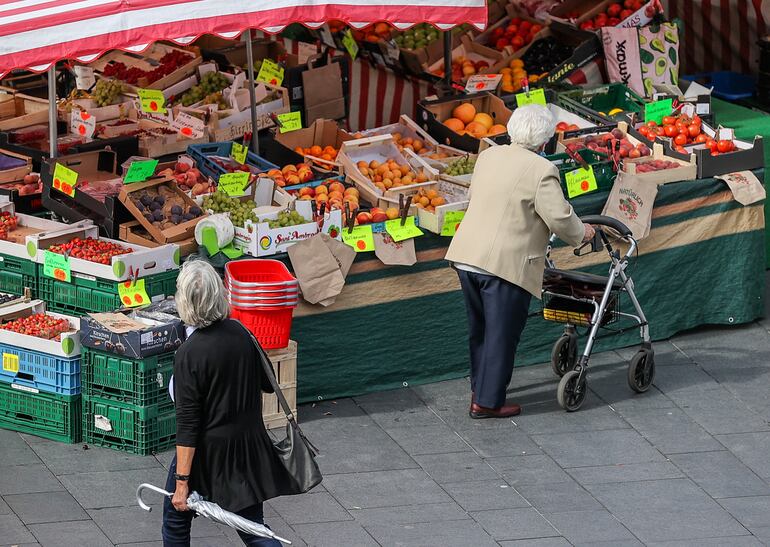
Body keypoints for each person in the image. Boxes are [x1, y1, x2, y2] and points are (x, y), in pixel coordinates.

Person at [445, 104, 595, 419]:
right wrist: (584, 233)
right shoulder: (541, 170)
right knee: (502, 333)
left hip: (467, 255)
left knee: (481, 329)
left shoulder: (488, 156)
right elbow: (559, 216)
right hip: (504, 263)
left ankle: (481, 387)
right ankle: (486, 402)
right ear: (544, 140)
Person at [162, 260, 292, 546]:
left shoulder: (189, 353)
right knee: (252, 527)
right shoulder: (241, 332)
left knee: (175, 523)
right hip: (246, 447)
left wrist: (182, 482)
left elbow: (188, 424)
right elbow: (268, 383)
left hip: (208, 454)